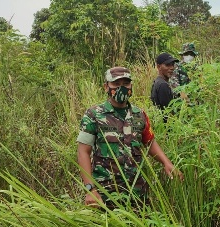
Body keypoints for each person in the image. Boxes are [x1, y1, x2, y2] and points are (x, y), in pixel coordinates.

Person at [77, 66, 183, 208]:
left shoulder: (139, 115)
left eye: (126, 84)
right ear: (106, 87)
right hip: (104, 194)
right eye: (116, 84)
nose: (122, 88)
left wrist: (166, 163)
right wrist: (90, 189)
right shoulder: (94, 115)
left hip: (137, 193)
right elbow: (83, 151)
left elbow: (149, 142)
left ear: (131, 85)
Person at [150, 52, 180, 122]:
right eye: (167, 65)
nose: (172, 68)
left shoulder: (157, 82)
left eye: (172, 65)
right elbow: (168, 112)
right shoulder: (163, 85)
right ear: (158, 67)